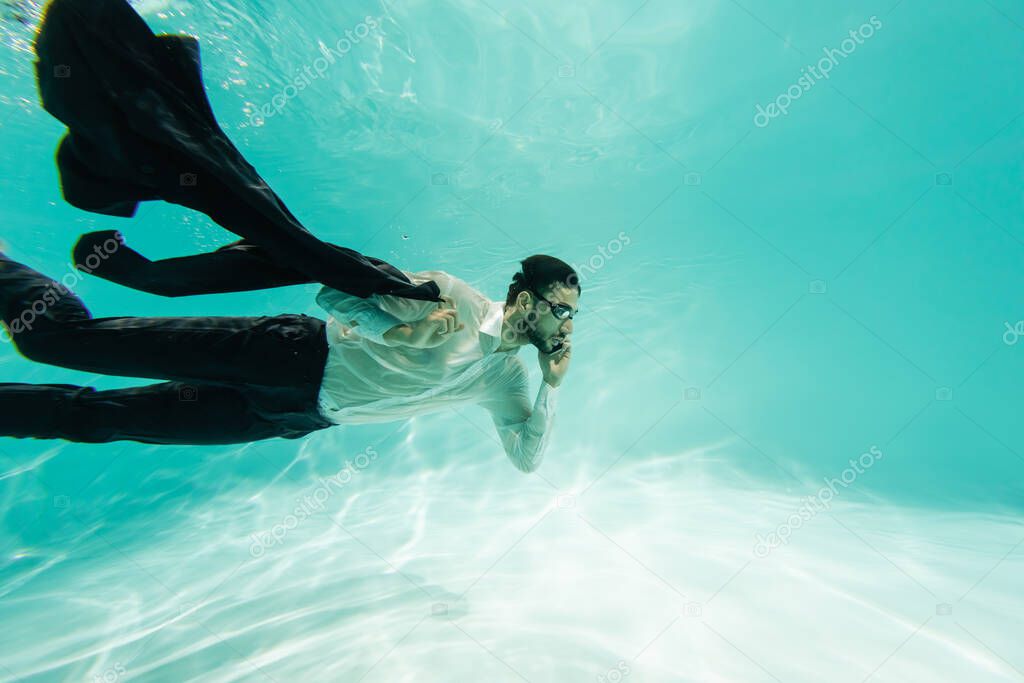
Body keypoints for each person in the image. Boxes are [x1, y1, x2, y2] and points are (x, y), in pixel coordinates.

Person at [0, 252, 577, 472]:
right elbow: (332, 292)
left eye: (573, 316)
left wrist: (551, 389)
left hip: (291, 416)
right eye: (560, 310)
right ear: (525, 301)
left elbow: (525, 459)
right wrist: (403, 327)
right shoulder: (451, 296)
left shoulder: (506, 379)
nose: (567, 326)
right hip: (287, 354)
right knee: (60, 341)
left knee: (99, 421)